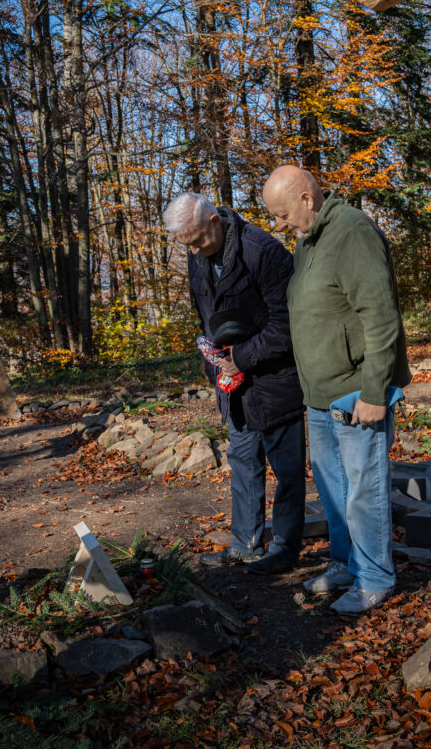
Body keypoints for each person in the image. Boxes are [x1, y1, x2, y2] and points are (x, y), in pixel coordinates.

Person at [262, 166, 411, 613]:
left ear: (306, 198)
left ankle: (374, 579)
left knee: (364, 490)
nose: (279, 224)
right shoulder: (308, 240)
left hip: (355, 391)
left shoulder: (352, 232)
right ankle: (347, 564)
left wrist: (374, 392)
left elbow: (381, 317)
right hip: (318, 395)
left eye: (282, 214)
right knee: (333, 490)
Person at [163, 192, 306, 575]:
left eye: (198, 241)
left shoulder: (263, 251)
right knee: (243, 465)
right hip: (233, 387)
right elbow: (205, 320)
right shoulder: (197, 255)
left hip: (276, 381)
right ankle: (245, 544)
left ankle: (285, 549)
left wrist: (240, 358)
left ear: (215, 221)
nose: (194, 251)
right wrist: (216, 366)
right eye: (187, 245)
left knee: (287, 472)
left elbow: (289, 323)